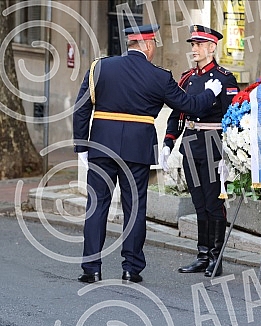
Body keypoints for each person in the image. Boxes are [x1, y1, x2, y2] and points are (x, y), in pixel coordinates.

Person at [73, 24, 222, 284]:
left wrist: (81, 146)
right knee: (135, 208)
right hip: (137, 148)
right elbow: (188, 105)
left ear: (130, 44)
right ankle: (131, 268)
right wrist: (211, 93)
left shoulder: (100, 67)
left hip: (101, 145)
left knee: (96, 207)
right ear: (149, 46)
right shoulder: (159, 76)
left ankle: (91, 269)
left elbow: (81, 109)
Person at [159, 25, 239, 278]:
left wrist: (228, 155)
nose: (193, 49)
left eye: (198, 45)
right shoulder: (187, 78)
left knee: (214, 204)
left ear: (212, 47)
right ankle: (202, 255)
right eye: (192, 45)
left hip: (214, 145)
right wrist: (168, 142)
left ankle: (216, 258)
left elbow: (233, 119)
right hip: (192, 144)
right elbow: (177, 112)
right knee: (199, 203)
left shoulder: (225, 79)